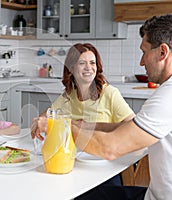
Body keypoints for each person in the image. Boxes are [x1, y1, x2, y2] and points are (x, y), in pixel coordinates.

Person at [58, 14, 172, 200]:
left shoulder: (168, 96)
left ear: (162, 52)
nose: (141, 62)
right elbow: (129, 126)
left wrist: (59, 126)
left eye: (144, 52)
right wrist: (79, 124)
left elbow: (109, 148)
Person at [31, 42, 135, 185]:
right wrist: (40, 121)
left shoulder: (109, 93)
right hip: (74, 162)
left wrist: (80, 125)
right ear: (71, 68)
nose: (88, 67)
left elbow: (132, 125)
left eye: (92, 63)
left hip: (105, 168)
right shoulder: (69, 95)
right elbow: (49, 114)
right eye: (82, 63)